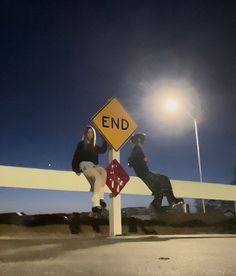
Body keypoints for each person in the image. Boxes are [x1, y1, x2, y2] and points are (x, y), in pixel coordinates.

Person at [128, 132, 184, 211]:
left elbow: (130, 163)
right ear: (139, 139)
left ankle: (156, 205)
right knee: (164, 179)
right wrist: (141, 160)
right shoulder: (137, 149)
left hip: (142, 173)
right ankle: (171, 201)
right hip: (144, 174)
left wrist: (137, 161)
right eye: (143, 140)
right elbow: (131, 162)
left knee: (158, 186)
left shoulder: (136, 149)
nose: (144, 142)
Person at [72, 125, 107, 215]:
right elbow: (76, 156)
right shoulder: (81, 144)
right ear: (85, 133)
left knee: (103, 172)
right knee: (97, 177)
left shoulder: (94, 146)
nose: (90, 134)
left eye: (92, 132)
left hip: (95, 166)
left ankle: (101, 198)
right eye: (88, 132)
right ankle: (95, 205)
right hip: (85, 165)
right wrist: (76, 169)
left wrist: (103, 137)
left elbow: (103, 149)